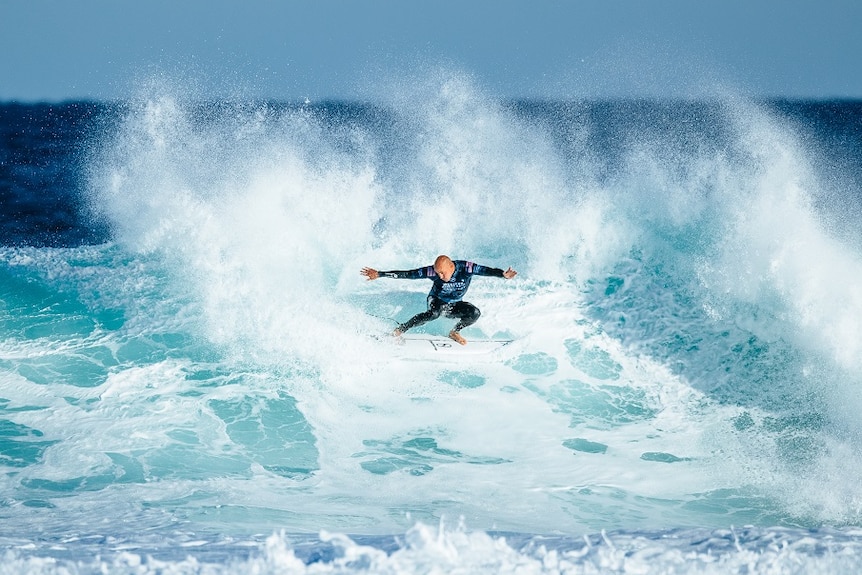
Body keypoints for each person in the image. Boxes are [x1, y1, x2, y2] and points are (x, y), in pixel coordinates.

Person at [361, 255, 517, 345]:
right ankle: (401, 329)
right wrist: (380, 274)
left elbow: (486, 270)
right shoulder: (433, 271)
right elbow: (408, 274)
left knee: (474, 313)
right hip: (436, 300)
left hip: (454, 304)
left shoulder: (466, 268)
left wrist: (502, 275)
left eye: (442, 273)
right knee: (435, 313)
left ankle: (454, 332)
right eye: (437, 273)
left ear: (451, 267)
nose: (439, 277)